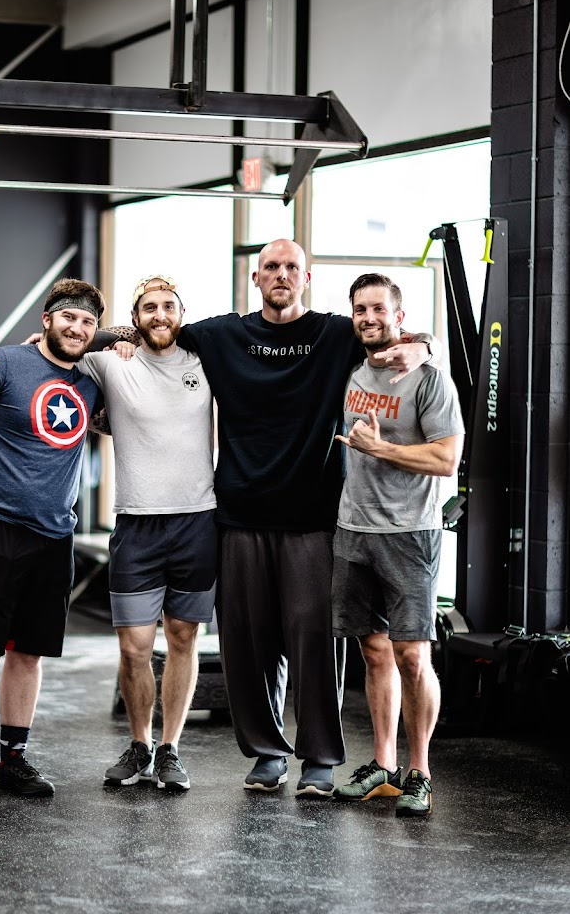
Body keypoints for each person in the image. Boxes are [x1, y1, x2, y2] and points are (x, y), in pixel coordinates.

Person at [169, 240, 439, 797]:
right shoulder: (223, 335)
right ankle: (267, 754)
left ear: (306, 277)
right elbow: (154, 330)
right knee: (248, 645)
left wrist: (424, 345)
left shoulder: (336, 333)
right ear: (256, 277)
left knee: (316, 644)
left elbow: (399, 334)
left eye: (292, 267)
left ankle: (319, 758)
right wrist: (99, 341)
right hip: (240, 516)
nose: (281, 275)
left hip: (314, 519)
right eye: (271, 267)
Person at [0, 276, 217, 793]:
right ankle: (140, 745)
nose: (159, 315)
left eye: (168, 306)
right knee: (133, 648)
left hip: (196, 520)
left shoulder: (206, 362)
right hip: (135, 524)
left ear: (182, 313)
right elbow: (57, 349)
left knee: (183, 638)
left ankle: (170, 748)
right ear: (135, 317)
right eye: (148, 308)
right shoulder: (107, 363)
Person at [0, 277, 105, 806]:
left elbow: (140, 334)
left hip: (55, 535)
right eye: (68, 317)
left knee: (29, 654)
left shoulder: (93, 379)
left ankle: (13, 761)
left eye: (88, 322)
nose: (77, 328)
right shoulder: (1, 363)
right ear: (46, 319)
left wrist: (109, 339)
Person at [331, 273, 464, 817]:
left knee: (412, 655)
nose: (369, 318)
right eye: (360, 309)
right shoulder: (350, 365)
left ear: (399, 316)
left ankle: (420, 772)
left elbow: (447, 460)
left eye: (379, 309)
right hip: (354, 529)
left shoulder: (429, 379)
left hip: (410, 533)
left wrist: (381, 450)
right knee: (374, 651)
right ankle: (383, 768)